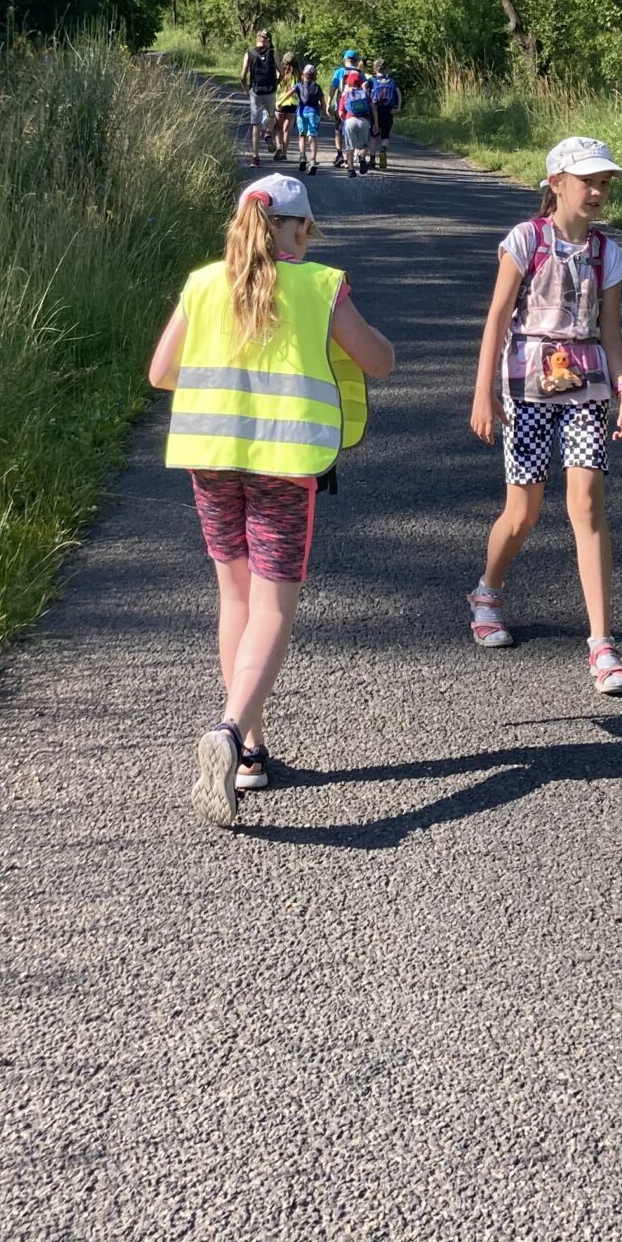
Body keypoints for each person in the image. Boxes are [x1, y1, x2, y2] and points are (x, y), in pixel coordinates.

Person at [149, 173, 396, 825]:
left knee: (234, 599)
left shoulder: (205, 284)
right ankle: (231, 730)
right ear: (300, 228)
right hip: (285, 465)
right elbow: (377, 361)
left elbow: (161, 372)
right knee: (272, 607)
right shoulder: (319, 286)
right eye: (307, 227)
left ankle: (252, 753)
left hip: (210, 458)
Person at [467, 137, 622, 696]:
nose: (598, 192)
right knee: (524, 511)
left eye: (604, 183)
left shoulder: (607, 254)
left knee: (587, 505)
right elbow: (497, 320)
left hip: (587, 389)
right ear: (556, 183)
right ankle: (488, 591)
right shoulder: (525, 240)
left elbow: (610, 331)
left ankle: (602, 643)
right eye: (588, 181)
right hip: (526, 389)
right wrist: (483, 393)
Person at [241, 30, 278, 167]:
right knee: (272, 115)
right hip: (270, 91)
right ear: (268, 41)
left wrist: (247, 90)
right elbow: (281, 72)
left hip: (255, 92)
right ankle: (268, 132)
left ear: (257, 39)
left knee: (256, 125)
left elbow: (242, 76)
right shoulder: (273, 53)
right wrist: (276, 84)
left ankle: (255, 158)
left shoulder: (249, 53)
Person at [327, 46, 363, 168]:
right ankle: (351, 156)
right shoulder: (359, 73)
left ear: (345, 59)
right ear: (356, 60)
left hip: (341, 104)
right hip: (356, 106)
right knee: (353, 130)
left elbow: (333, 88)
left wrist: (328, 103)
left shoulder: (339, 72)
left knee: (338, 130)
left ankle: (339, 155)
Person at [337, 63, 374, 175]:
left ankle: (351, 170)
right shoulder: (365, 94)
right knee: (363, 145)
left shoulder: (345, 95)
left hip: (350, 121)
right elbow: (373, 108)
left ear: (349, 82)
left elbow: (340, 113)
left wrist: (345, 121)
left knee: (349, 147)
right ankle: (362, 159)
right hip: (363, 121)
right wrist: (375, 123)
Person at [366, 60, 401, 170]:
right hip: (388, 110)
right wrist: (398, 107)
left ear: (375, 68)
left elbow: (366, 92)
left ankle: (372, 160)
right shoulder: (392, 81)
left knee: (374, 135)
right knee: (385, 135)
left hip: (375, 110)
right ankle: (382, 151)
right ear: (386, 69)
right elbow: (398, 93)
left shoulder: (371, 81)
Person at [292, 63, 326, 173]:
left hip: (301, 113)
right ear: (314, 75)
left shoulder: (298, 85)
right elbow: (323, 103)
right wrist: (325, 112)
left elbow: (289, 93)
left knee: (302, 135)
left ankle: (302, 156)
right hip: (314, 113)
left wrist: (280, 102)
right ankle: (313, 161)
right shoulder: (317, 87)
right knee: (312, 136)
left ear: (303, 75)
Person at [274, 53, 300, 159]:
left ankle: (278, 146)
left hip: (280, 102)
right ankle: (284, 154)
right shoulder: (297, 74)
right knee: (286, 130)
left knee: (278, 128)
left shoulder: (279, 71)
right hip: (292, 103)